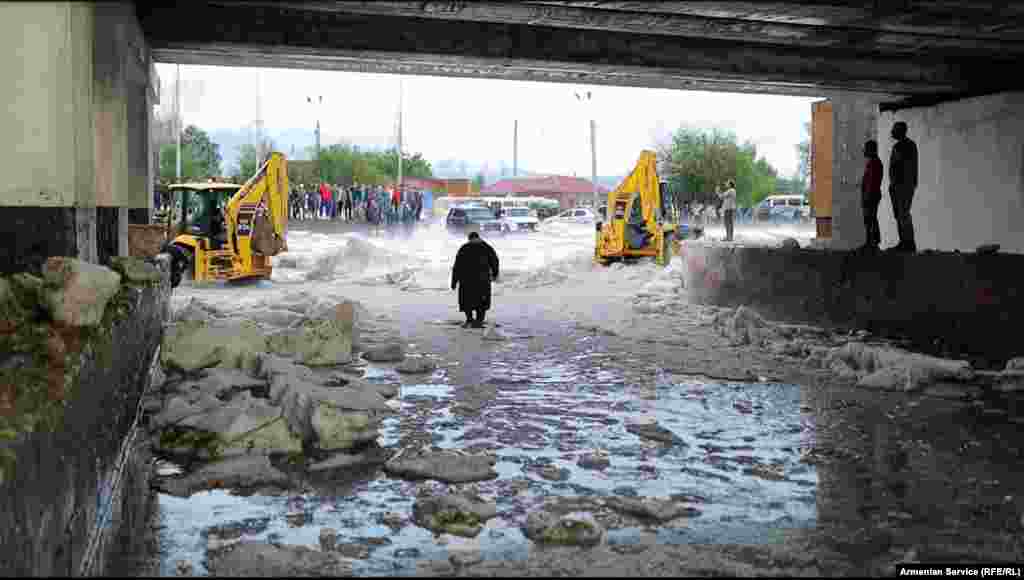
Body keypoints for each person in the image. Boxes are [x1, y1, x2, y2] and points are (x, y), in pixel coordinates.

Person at [451, 231, 500, 329]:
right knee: (482, 302)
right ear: (478, 238)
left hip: (466, 280)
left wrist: (454, 281)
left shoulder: (464, 248)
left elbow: (457, 266)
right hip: (482, 280)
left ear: (469, 239)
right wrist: (495, 274)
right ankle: (479, 321)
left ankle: (469, 320)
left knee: (466, 301)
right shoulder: (487, 247)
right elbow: (495, 261)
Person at [887, 121, 918, 252]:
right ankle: (904, 242)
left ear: (900, 131)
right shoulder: (902, 146)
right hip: (899, 186)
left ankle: (908, 243)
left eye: (894, 129)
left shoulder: (905, 146)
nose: (892, 132)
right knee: (900, 214)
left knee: (903, 214)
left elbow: (905, 167)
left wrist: (899, 184)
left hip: (903, 186)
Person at [859, 139, 884, 252]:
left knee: (870, 219)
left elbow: (871, 183)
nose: (864, 151)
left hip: (871, 196)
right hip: (870, 195)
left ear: (870, 150)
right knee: (870, 219)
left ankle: (872, 242)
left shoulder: (874, 163)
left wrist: (867, 197)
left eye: (866, 148)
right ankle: (872, 242)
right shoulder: (873, 162)